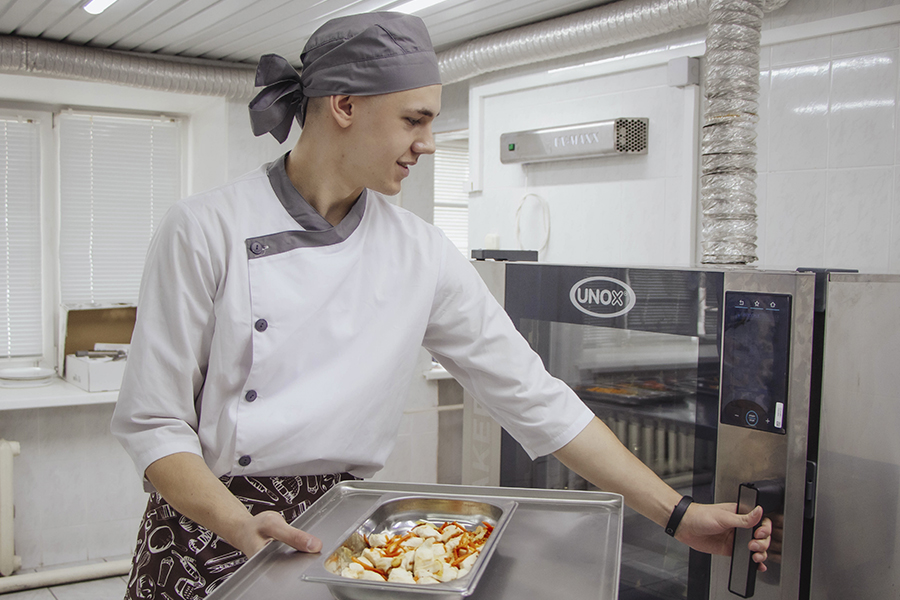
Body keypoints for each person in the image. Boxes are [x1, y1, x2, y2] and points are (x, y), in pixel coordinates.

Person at [111, 11, 771, 600]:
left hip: (339, 528)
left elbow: (536, 397)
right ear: (344, 104)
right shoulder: (205, 228)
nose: (428, 142)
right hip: (207, 528)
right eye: (415, 119)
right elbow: (153, 423)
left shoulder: (420, 253)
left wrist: (676, 514)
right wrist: (235, 522)